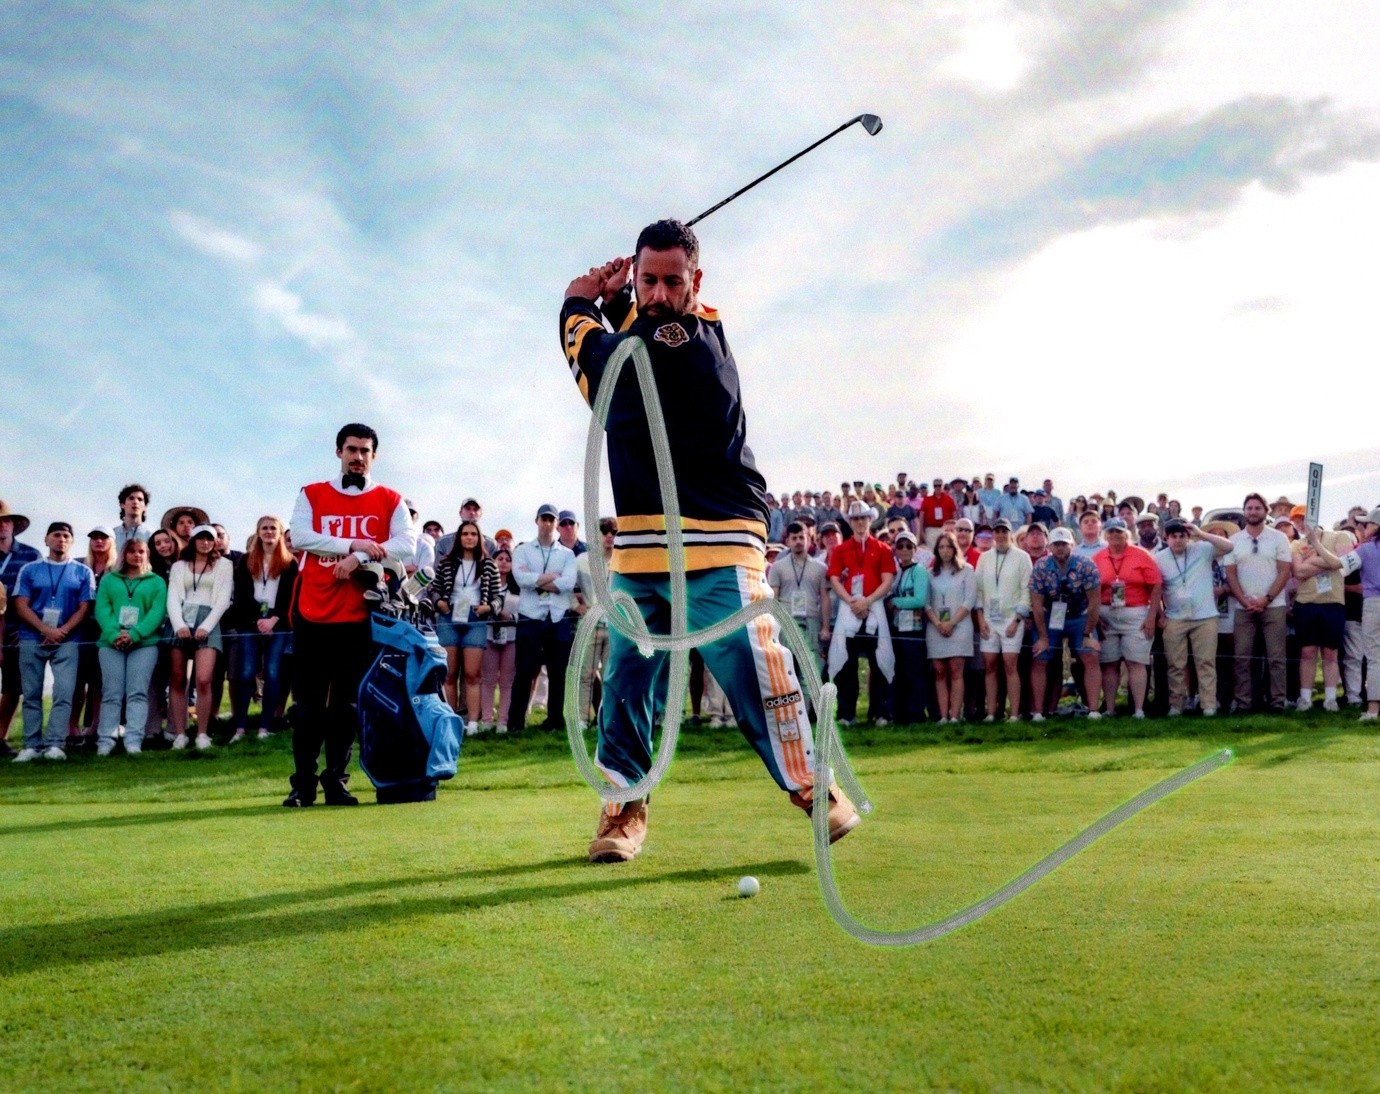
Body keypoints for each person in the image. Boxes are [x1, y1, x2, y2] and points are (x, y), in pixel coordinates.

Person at [562, 219, 854, 863]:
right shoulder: (653, 326)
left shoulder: (687, 338)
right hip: (644, 538)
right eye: (648, 280)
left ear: (697, 281)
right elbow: (631, 341)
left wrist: (578, 305)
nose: (660, 294)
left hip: (717, 532)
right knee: (627, 676)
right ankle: (624, 807)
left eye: (673, 281)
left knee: (747, 653)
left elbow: (608, 377)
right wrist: (616, 302)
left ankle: (815, 786)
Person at [285, 422, 415, 805]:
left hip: (359, 615)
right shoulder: (312, 493)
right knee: (307, 708)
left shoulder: (390, 499)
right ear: (339, 451)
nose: (358, 457)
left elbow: (407, 544)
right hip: (312, 612)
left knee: (346, 707)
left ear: (374, 455)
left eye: (364, 451)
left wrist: (358, 557)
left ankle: (336, 782)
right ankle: (302, 785)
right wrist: (353, 543)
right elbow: (300, 536)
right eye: (351, 449)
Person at [11, 523, 96, 761]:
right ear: (46, 539)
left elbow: (84, 607)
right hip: (32, 637)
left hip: (68, 639)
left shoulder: (82, 571)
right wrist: (45, 629)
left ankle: (55, 744)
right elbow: (21, 604)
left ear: (72, 541)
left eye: (66, 536)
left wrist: (62, 630)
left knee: (63, 692)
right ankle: (31, 745)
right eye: (56, 535)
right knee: (31, 693)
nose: (61, 539)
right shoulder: (30, 569)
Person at [1300, 508, 1380, 722]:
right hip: (1370, 603)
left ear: (1376, 527)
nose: (1362, 528)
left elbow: (1337, 564)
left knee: (1375, 658)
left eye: (1367, 524)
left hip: (1373, 604)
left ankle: (1373, 710)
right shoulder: (1364, 548)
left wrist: (1315, 544)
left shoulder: (1365, 550)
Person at [506, 505, 578, 732]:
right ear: (536, 521)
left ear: (556, 523)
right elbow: (521, 579)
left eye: (551, 520)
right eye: (544, 519)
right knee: (524, 671)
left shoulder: (567, 554)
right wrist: (551, 577)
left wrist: (536, 580)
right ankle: (516, 723)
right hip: (530, 617)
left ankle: (555, 722)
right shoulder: (523, 550)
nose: (547, 523)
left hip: (557, 617)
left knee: (558, 672)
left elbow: (568, 583)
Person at [93, 536, 167, 755]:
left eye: (141, 551)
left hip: (144, 644)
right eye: (132, 551)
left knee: (138, 693)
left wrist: (135, 634)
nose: (137, 555)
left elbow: (156, 613)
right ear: (124, 554)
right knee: (111, 693)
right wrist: (114, 634)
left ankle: (133, 740)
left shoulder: (157, 582)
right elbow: (102, 609)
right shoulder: (109, 580)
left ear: (147, 555)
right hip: (111, 643)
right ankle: (106, 740)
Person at [426, 519, 501, 734]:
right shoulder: (446, 562)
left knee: (472, 674)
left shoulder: (489, 564)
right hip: (448, 618)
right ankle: (451, 722)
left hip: (476, 619)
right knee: (449, 674)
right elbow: (434, 589)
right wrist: (439, 602)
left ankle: (473, 723)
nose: (469, 537)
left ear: (479, 539)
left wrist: (489, 607)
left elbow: (498, 597)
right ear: (459, 537)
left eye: (473, 534)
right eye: (465, 534)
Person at [228, 516, 298, 742]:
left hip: (278, 624)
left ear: (280, 533)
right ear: (258, 532)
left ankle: (264, 727)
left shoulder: (290, 562)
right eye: (264, 528)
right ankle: (240, 727)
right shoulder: (246, 560)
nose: (269, 532)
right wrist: (258, 619)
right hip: (250, 623)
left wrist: (273, 619)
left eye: (273, 528)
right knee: (246, 672)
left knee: (273, 673)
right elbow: (241, 594)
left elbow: (290, 596)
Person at [826, 501, 895, 726]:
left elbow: (887, 580)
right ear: (850, 522)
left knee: (880, 661)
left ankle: (881, 712)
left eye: (863, 518)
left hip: (874, 607)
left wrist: (868, 600)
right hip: (850, 608)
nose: (859, 523)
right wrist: (851, 601)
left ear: (870, 520)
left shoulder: (883, 549)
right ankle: (847, 713)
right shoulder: (841, 550)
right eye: (855, 519)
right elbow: (834, 578)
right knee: (847, 664)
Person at [1155, 519, 1234, 716]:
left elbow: (1229, 546)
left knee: (1206, 662)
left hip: (1205, 616)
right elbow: (1156, 590)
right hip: (1175, 617)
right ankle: (1177, 705)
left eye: (1182, 536)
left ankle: (1208, 705)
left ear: (1188, 537)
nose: (1178, 540)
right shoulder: (1159, 558)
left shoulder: (1202, 549)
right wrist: (1160, 614)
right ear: (1166, 538)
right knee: (1176, 664)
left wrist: (1201, 533)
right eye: (1173, 536)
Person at [166, 526, 233, 750]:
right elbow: (173, 597)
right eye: (201, 538)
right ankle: (180, 733)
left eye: (209, 539)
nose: (205, 543)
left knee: (203, 679)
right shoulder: (179, 566)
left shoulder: (224, 565)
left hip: (208, 620)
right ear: (193, 541)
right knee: (177, 678)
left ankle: (202, 733)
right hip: (181, 621)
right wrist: (179, 625)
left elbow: (223, 599)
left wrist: (206, 626)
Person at [1225, 493, 1293, 712]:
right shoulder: (1234, 540)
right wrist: (1244, 600)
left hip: (1273, 606)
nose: (1253, 512)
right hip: (1243, 607)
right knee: (1241, 657)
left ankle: (1277, 702)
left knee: (1276, 658)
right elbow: (1230, 574)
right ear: (1244, 512)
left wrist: (1267, 599)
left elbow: (1284, 571)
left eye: (1257, 508)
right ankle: (1243, 703)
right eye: (1249, 508)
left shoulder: (1279, 538)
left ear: (1266, 511)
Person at [1029, 527, 1103, 720]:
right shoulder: (1041, 566)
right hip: (1050, 615)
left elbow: (1095, 602)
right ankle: (1038, 712)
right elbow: (1036, 605)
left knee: (1090, 655)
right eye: (1056, 544)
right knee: (1040, 657)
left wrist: (1087, 634)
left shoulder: (1086, 565)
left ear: (1072, 545)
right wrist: (1043, 637)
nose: (1060, 548)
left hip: (1080, 615)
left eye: (1064, 544)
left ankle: (1093, 710)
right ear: (1049, 546)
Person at [1093, 517, 1161, 718]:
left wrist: (1151, 616)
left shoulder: (1141, 555)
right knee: (1109, 663)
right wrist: (1095, 616)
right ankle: (1110, 709)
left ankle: (1138, 709)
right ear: (1105, 535)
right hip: (1106, 614)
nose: (1115, 535)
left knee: (1136, 661)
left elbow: (1156, 585)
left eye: (1119, 532)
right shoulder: (1098, 558)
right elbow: (1091, 590)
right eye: (1111, 532)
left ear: (1126, 534)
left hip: (1135, 613)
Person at [1288, 507, 1353, 711]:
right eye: (1297, 521)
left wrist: (1316, 548)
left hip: (1333, 602)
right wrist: (1328, 561)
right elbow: (1299, 572)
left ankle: (1330, 699)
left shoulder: (1340, 536)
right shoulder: (1296, 544)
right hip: (1306, 603)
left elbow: (1343, 564)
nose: (1301, 524)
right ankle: (1305, 699)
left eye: (1304, 519)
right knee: (1307, 652)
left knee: (1330, 653)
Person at [973, 519, 1032, 722]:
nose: (1000, 535)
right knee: (989, 665)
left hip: (1012, 618)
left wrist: (1017, 620)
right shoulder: (984, 558)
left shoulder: (1022, 557)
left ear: (1010, 533)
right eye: (997, 531)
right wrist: (981, 619)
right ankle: (991, 713)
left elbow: (1026, 591)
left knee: (1010, 664)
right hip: (989, 618)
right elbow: (978, 590)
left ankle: (1014, 714)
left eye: (1004, 531)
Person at [69, 526, 118, 749]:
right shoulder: (79, 565)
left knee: (100, 680)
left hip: (105, 629)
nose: (98, 541)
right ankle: (72, 726)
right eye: (94, 538)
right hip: (80, 628)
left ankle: (94, 726)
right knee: (78, 680)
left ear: (112, 541)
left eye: (103, 538)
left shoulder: (117, 569)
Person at [0, 501, 41, 757]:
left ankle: (0, 737)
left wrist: (26, 626)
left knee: (13, 687)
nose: (1, 526)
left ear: (13, 524)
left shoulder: (31, 555)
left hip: (16, 632)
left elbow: (39, 595)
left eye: (5, 521)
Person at [768, 521, 831, 675]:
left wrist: (825, 627)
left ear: (809, 540)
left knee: (810, 672)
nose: (798, 542)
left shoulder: (820, 568)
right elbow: (773, 599)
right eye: (794, 538)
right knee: (785, 671)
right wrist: (772, 628)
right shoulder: (777, 567)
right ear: (787, 541)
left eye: (802, 537)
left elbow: (825, 599)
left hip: (811, 622)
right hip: (786, 622)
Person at [926, 532, 975, 724]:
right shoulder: (930, 573)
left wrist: (952, 623)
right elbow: (926, 603)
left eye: (948, 547)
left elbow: (969, 600)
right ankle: (943, 716)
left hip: (959, 626)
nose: (945, 551)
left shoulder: (967, 570)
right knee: (939, 671)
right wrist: (938, 624)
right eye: (941, 547)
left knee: (956, 671)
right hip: (936, 627)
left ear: (955, 549)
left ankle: (954, 715)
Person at [575, 517, 619, 724]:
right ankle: (582, 719)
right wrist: (575, 605)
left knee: (611, 676)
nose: (609, 536)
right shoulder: (582, 560)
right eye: (604, 531)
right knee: (585, 675)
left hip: (615, 627)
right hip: (590, 625)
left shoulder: (623, 561)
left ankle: (607, 720)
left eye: (614, 532)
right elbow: (565, 584)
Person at [886, 530, 930, 724]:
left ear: (915, 549)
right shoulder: (897, 571)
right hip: (898, 627)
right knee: (900, 671)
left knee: (915, 671)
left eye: (908, 546)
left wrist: (896, 601)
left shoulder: (919, 571)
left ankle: (916, 713)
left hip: (914, 628)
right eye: (900, 546)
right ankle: (900, 713)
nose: (904, 550)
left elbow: (919, 599)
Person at [480, 545, 521, 732]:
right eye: (500, 559)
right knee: (488, 680)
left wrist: (510, 617)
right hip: (489, 635)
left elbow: (525, 610)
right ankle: (487, 720)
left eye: (508, 560)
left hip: (510, 637)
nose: (503, 563)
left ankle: (503, 721)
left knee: (506, 681)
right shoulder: (486, 585)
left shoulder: (518, 588)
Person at [114, 483, 152, 553]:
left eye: (140, 499)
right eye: (131, 498)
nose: (135, 502)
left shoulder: (150, 536)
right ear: (122, 504)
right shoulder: (112, 535)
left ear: (145, 506)